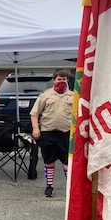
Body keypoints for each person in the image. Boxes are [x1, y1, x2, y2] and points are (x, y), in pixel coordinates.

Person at [29, 69, 73, 197]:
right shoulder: (46, 95)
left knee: (67, 163)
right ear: (54, 80)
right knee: (49, 161)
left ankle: (70, 188)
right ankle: (49, 186)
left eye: (64, 79)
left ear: (67, 80)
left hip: (66, 133)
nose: (61, 81)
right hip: (48, 132)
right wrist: (35, 128)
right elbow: (34, 113)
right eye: (59, 79)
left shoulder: (73, 96)